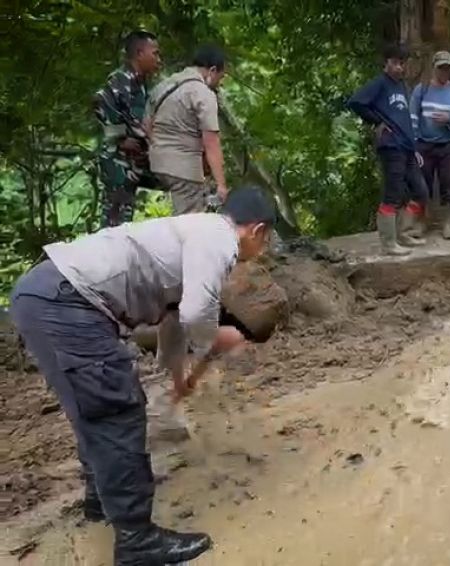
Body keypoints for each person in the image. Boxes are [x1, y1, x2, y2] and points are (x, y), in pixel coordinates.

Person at [9, 187, 277, 565]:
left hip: (48, 296)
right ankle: (137, 540)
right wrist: (219, 336)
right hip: (68, 303)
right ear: (258, 231)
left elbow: (173, 320)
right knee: (117, 410)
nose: (259, 253)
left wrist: (178, 378)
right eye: (265, 243)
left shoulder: (192, 232)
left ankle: (100, 500)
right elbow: (198, 312)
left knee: (95, 408)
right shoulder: (218, 239)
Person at [348, 44, 430, 255]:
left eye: (402, 63)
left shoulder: (401, 86)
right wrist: (377, 122)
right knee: (392, 194)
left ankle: (404, 233)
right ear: (386, 63)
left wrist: (415, 147)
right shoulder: (380, 84)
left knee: (420, 191)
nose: (399, 67)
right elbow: (356, 102)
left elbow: (404, 119)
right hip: (391, 146)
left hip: (407, 146)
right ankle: (388, 243)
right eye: (395, 62)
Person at [146, 44, 229, 215]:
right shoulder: (202, 93)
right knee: (190, 224)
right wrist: (221, 185)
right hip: (184, 169)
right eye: (219, 78)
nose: (218, 84)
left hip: (158, 164)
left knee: (181, 217)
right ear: (212, 70)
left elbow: (147, 125)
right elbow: (211, 142)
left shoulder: (164, 86)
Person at [93, 30, 162, 227]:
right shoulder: (121, 79)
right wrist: (121, 137)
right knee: (115, 217)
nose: (158, 58)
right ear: (139, 53)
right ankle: (105, 256)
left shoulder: (142, 84)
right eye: (154, 53)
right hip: (118, 160)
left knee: (124, 215)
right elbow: (99, 103)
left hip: (136, 160)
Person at [411, 50, 450, 239]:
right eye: (441, 68)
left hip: (448, 146)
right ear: (434, 68)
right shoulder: (421, 90)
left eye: (448, 68)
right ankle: (421, 223)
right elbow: (412, 118)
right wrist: (413, 146)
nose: (445, 71)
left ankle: (448, 224)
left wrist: (449, 119)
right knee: (421, 186)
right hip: (423, 145)